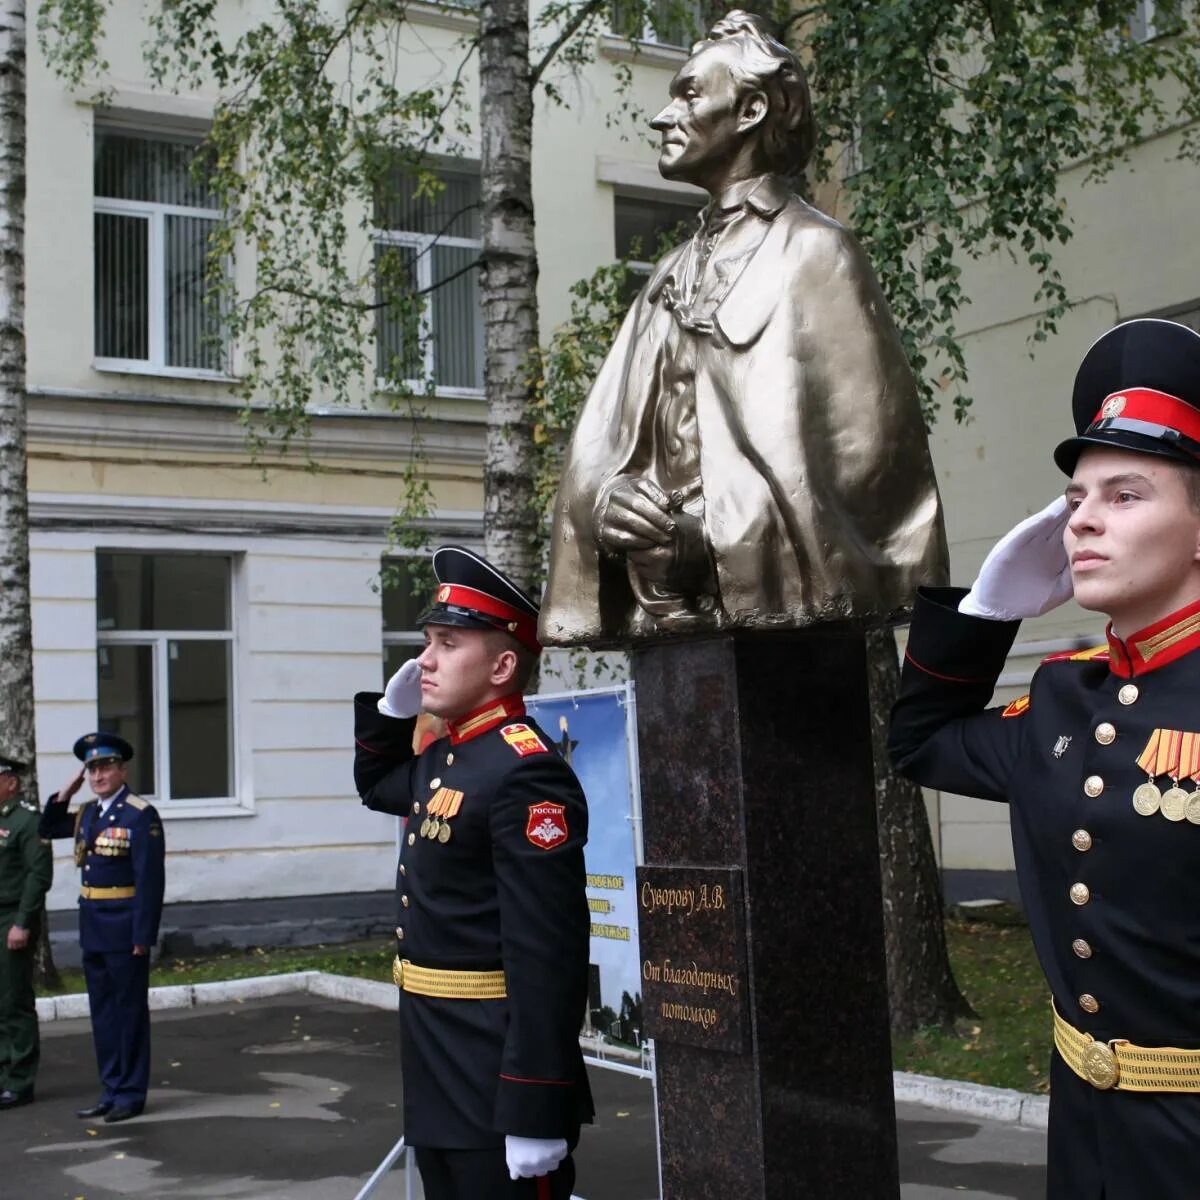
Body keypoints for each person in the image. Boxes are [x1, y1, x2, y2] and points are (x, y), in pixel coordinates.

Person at [889, 317, 1200, 1199]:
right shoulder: (1066, 695)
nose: (1084, 521)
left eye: (1125, 495)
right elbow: (919, 742)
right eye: (1074, 501)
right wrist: (988, 609)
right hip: (1084, 1142)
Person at [539, 9, 946, 647]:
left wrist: (713, 535)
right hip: (675, 608)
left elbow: (867, 472)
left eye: (689, 93)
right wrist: (615, 501)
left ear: (751, 110)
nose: (661, 116)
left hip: (788, 637)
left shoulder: (815, 252)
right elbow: (614, 439)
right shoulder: (668, 274)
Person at [353, 546, 593, 1200]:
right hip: (436, 1057)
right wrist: (390, 711)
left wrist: (536, 1103)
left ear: (503, 664)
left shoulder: (524, 772)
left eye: (447, 643)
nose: (424, 659)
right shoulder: (450, 757)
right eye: (428, 641)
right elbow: (376, 786)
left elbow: (549, 953)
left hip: (494, 1074)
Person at [40, 734, 165, 1123]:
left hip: (125, 928)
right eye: (92, 769)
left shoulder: (139, 814)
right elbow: (49, 825)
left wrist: (143, 936)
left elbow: (149, 881)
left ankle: (131, 1093)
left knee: (128, 1013)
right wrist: (67, 790)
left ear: (122, 769)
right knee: (103, 1015)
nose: (98, 775)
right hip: (93, 925)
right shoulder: (88, 813)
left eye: (105, 767)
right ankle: (110, 1089)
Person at [0, 755, 52, 1111]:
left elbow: (38, 876)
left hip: (10, 919)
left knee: (12, 1000)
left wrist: (22, 923)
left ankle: (19, 1081)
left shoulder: (27, 820)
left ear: (10, 783)